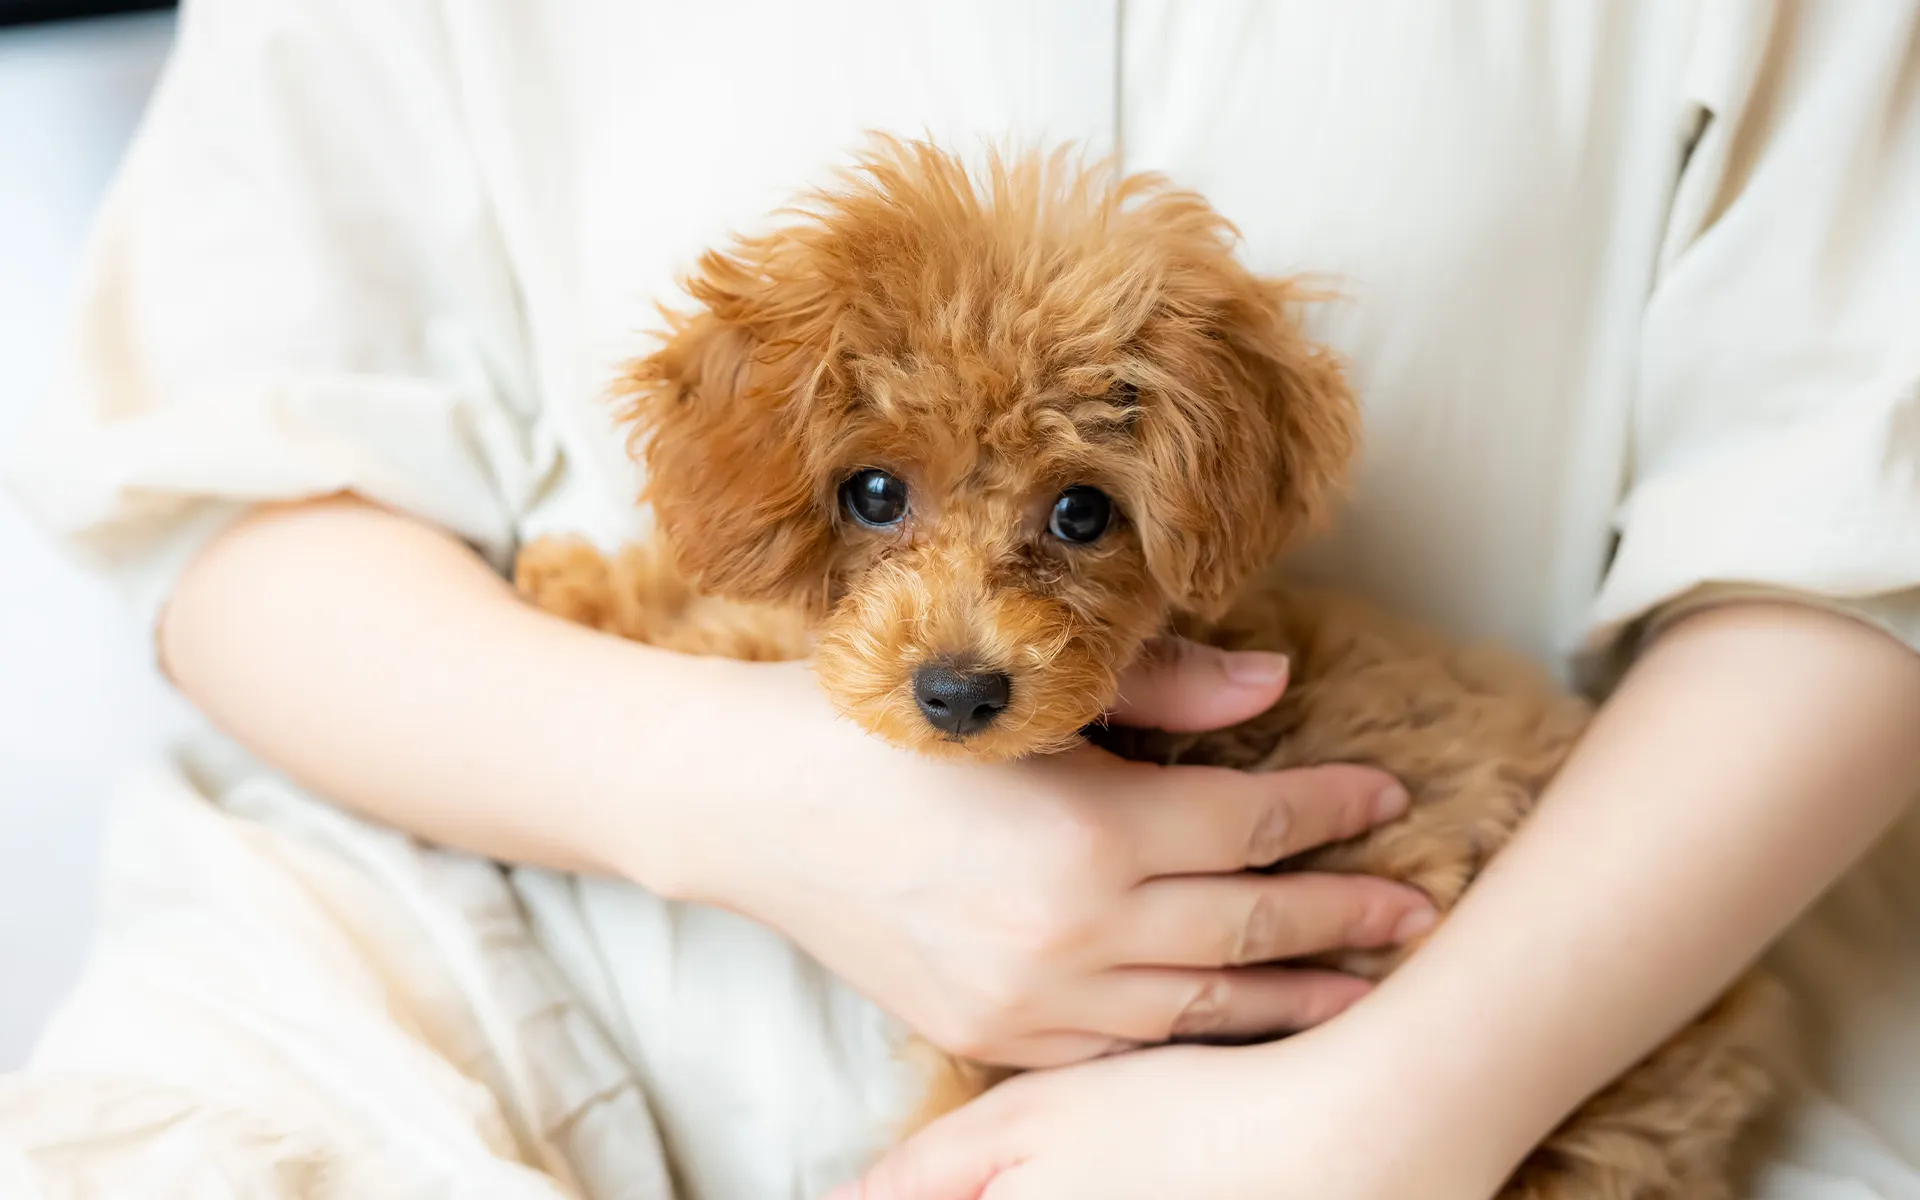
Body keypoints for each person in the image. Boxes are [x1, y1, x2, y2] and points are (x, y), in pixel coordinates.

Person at [3, 2, 1918, 1197]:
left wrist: (1391, 1118)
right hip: (467, 952)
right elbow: (232, 510)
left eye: (1082, 511)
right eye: (877, 494)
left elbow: (1852, 547)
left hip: (1511, 1001)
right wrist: (757, 797)